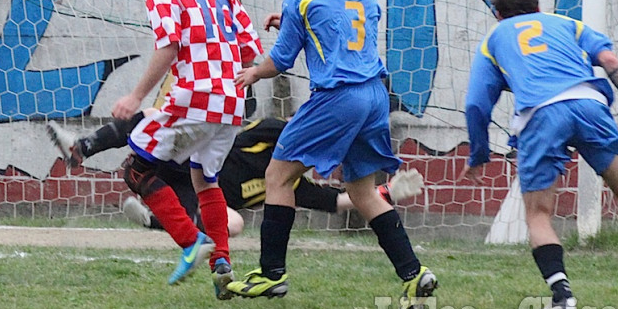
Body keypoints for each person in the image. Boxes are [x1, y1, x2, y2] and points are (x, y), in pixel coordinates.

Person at [225, 0, 437, 309]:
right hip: (375, 95)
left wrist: (254, 70)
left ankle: (271, 274)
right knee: (362, 192)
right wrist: (290, 23)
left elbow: (282, 59)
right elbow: (334, 27)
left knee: (277, 175)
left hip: (338, 98)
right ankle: (414, 274)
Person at [462, 0, 618, 309]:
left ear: (498, 15)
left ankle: (563, 298)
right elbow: (609, 59)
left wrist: (479, 153)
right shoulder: (568, 24)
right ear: (538, 7)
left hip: (542, 115)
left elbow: (475, 104)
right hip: (590, 104)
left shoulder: (494, 39)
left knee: (538, 213)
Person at [110, 0, 263, 300]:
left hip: (194, 96)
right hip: (232, 102)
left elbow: (169, 45)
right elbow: (251, 52)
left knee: (135, 169)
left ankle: (190, 241)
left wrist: (136, 97)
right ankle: (222, 265)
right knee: (204, 179)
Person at [47, 115, 425, 235]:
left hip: (197, 197)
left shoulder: (292, 183)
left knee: (236, 224)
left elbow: (341, 201)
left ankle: (156, 220)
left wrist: (388, 191)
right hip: (189, 164)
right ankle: (83, 147)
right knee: (152, 114)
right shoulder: (276, 134)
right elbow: (234, 131)